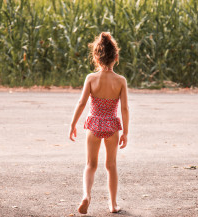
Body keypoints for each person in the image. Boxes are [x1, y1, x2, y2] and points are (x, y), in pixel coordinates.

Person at [69, 32, 129, 214]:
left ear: (96, 56)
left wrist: (73, 124)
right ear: (116, 57)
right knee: (111, 166)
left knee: (90, 165)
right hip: (111, 125)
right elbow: (125, 109)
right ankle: (112, 204)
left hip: (94, 124)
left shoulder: (91, 79)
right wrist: (125, 132)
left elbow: (81, 103)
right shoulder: (120, 81)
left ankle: (86, 196)